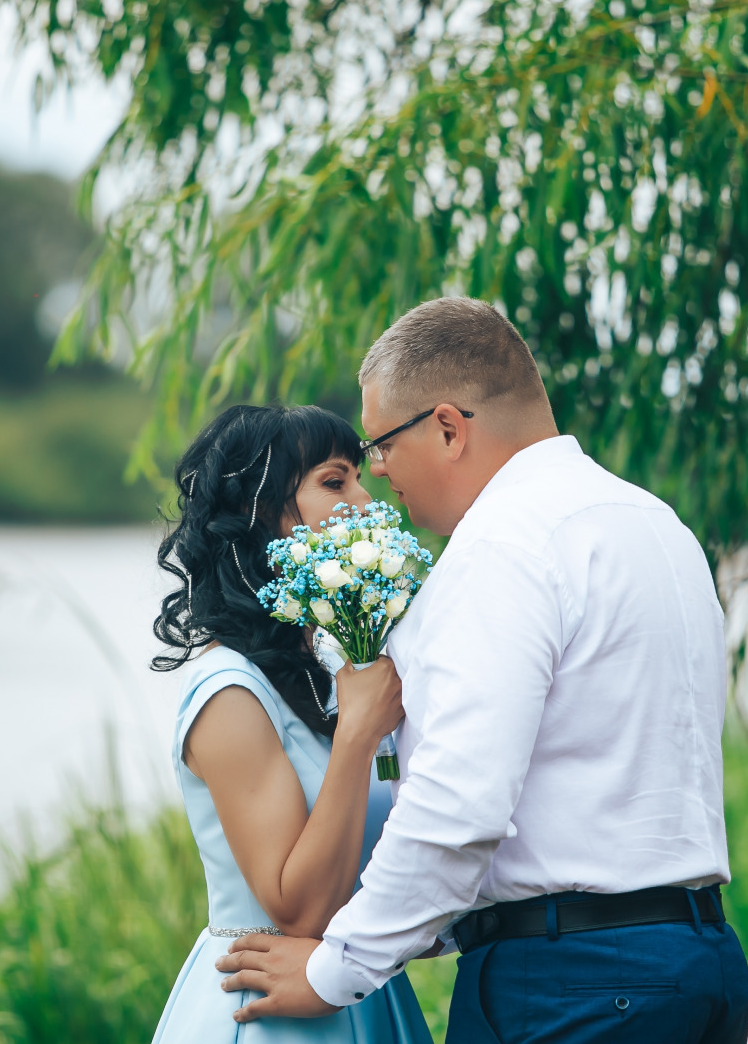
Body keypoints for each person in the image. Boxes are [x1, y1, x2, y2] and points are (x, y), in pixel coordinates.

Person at [214, 298, 748, 1043]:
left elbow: (460, 802)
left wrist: (334, 971)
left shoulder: (501, 547)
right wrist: (429, 929)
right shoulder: (654, 524)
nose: (378, 473)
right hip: (701, 964)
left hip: (573, 986)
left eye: (381, 445)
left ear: (446, 427)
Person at [149, 403, 434, 1044]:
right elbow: (299, 908)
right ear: (269, 513)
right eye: (336, 482)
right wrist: (359, 733)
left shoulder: (332, 667)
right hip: (270, 1009)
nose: (368, 500)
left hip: (356, 991)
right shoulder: (227, 690)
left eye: (361, 477)